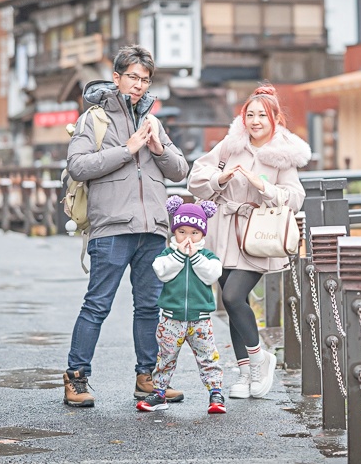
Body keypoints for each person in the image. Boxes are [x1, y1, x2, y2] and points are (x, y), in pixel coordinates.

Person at [62, 45, 190, 408]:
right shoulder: (94, 119)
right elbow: (78, 166)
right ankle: (76, 377)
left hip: (152, 228)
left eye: (145, 79)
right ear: (117, 78)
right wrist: (128, 149)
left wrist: (157, 147)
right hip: (112, 227)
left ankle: (146, 378)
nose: (138, 85)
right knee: (97, 305)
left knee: (149, 306)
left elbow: (181, 170)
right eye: (132, 77)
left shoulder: (153, 120)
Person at [187, 84, 311, 400]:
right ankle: (246, 374)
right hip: (224, 231)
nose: (255, 121)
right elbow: (196, 181)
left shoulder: (282, 155)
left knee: (232, 296)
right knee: (232, 305)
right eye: (250, 114)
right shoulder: (230, 147)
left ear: (274, 119)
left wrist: (264, 188)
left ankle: (260, 359)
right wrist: (220, 179)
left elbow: (295, 198)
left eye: (262, 115)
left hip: (257, 236)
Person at [136, 197, 226, 414]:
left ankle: (215, 393)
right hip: (171, 318)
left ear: (203, 234)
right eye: (182, 232)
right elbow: (162, 272)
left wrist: (194, 256)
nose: (188, 238)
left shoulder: (207, 257)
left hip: (201, 318)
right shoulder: (167, 255)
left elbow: (211, 275)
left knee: (208, 357)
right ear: (174, 232)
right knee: (165, 357)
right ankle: (159, 393)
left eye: (194, 233)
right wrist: (178, 253)